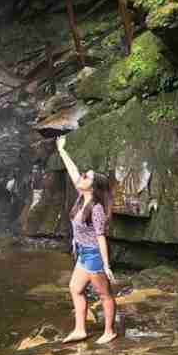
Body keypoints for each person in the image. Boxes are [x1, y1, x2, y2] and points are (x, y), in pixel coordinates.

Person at [56, 136, 117, 344]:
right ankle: (80, 330)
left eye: (86, 177)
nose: (81, 176)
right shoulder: (82, 197)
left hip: (94, 255)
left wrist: (106, 265)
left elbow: (101, 237)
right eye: (84, 175)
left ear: (93, 187)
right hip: (82, 252)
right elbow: (73, 171)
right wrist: (62, 150)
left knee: (104, 294)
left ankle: (109, 332)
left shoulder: (97, 209)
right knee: (75, 288)